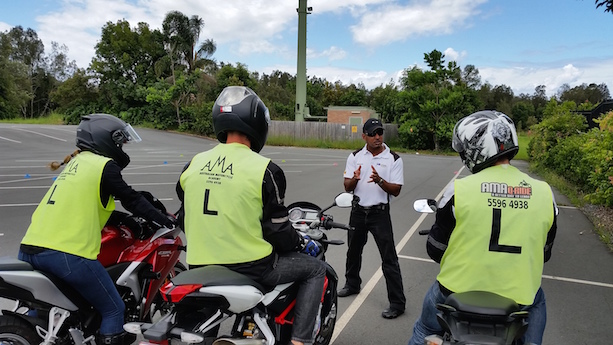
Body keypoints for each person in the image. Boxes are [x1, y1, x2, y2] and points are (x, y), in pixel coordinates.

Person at [176, 86, 326, 345]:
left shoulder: (194, 163)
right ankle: (301, 341)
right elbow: (278, 231)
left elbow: (184, 214)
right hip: (251, 266)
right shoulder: (265, 170)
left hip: (200, 264)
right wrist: (303, 243)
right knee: (316, 269)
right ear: (257, 123)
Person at [19, 114, 177, 345]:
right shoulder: (103, 166)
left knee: (49, 305)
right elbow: (131, 198)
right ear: (107, 140)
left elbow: (87, 205)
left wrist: (128, 221)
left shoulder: (76, 164)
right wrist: (164, 220)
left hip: (30, 249)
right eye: (121, 142)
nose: (123, 148)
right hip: (65, 254)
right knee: (113, 309)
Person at [407, 110, 558, 345]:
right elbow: (545, 253)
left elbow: (436, 249)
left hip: (456, 293)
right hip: (518, 299)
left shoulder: (459, 189)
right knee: (537, 301)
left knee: (424, 329)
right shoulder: (544, 193)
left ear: (476, 148)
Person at [338, 118, 406, 319]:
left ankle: (397, 303)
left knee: (389, 259)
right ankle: (352, 284)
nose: (377, 137)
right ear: (364, 136)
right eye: (373, 133)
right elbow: (347, 186)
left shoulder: (393, 158)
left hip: (379, 213)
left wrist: (380, 181)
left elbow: (397, 190)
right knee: (353, 251)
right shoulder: (355, 156)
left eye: (380, 133)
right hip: (358, 211)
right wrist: (355, 178)